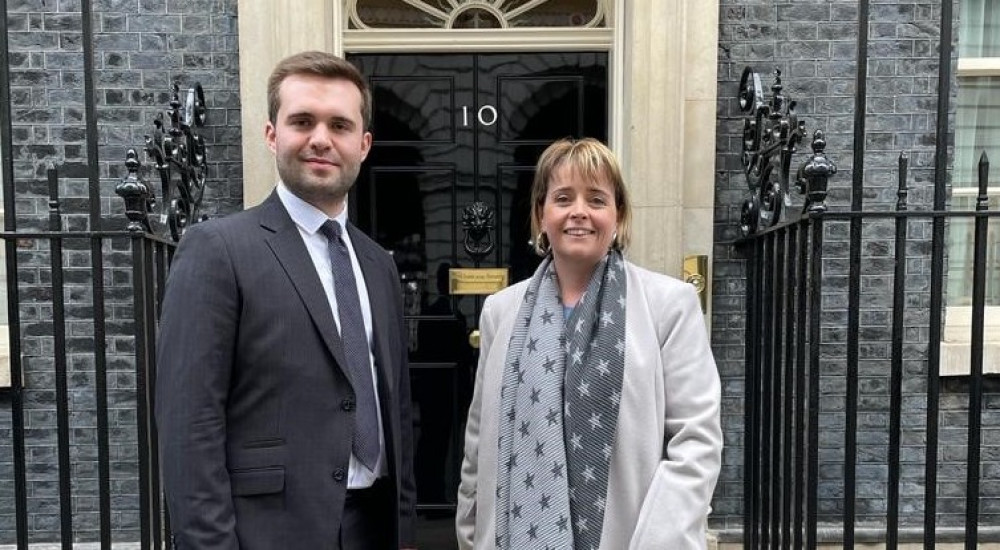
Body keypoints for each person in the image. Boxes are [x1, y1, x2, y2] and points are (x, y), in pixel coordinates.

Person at [155, 51, 416, 550]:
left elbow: (394, 410)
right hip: (269, 535)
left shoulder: (377, 264)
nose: (321, 138)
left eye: (339, 125)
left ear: (363, 145)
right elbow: (190, 426)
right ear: (272, 134)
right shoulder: (218, 250)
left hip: (374, 528)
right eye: (302, 121)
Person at [456, 138, 722, 549]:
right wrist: (473, 533)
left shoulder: (668, 305)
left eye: (596, 199)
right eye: (563, 198)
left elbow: (696, 441)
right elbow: (479, 438)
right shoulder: (500, 311)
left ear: (618, 216)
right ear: (541, 214)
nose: (579, 211)